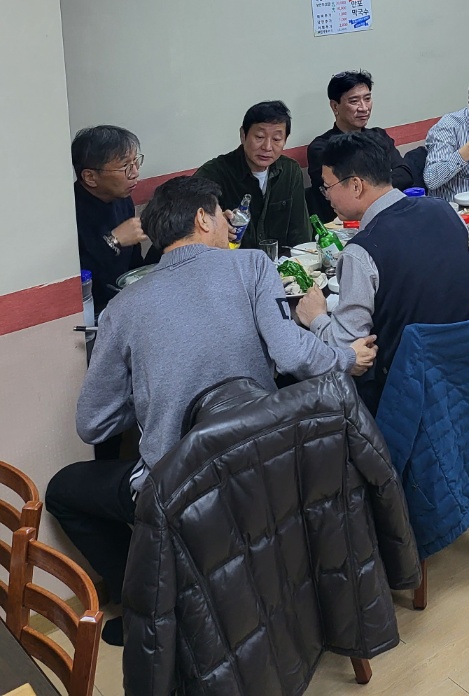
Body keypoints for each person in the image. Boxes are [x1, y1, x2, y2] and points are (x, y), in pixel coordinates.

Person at [46, 175, 370, 645]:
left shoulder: (123, 306)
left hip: (181, 486)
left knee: (63, 489)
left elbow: (92, 423)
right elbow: (292, 354)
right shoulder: (252, 266)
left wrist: (155, 393)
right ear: (202, 218)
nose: (227, 225)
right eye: (221, 216)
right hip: (265, 464)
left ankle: (146, 606)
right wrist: (345, 357)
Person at [298, 131, 469, 406]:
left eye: (328, 187)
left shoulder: (361, 251)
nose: (326, 196)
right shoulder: (444, 210)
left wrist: (315, 317)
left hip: (409, 387)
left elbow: (348, 345)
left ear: (356, 186)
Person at [196, 100, 309, 250]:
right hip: (232, 261)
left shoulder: (290, 171)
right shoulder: (213, 174)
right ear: (243, 135)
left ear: (285, 141)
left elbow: (300, 232)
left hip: (281, 262)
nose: (267, 147)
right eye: (259, 137)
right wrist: (216, 226)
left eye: (276, 139)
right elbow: (189, 228)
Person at [306, 70, 415, 215]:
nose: (364, 108)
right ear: (335, 106)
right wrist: (383, 181)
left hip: (388, 213)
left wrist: (366, 185)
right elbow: (341, 194)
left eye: (367, 99)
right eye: (354, 101)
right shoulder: (323, 147)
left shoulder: (379, 136)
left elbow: (405, 175)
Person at [71, 125, 153, 307]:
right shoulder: (69, 212)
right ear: (90, 177)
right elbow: (74, 281)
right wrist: (113, 241)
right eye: (125, 166)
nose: (135, 173)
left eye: (136, 162)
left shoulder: (122, 198)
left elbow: (134, 265)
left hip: (126, 300)